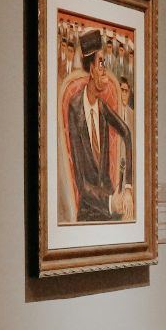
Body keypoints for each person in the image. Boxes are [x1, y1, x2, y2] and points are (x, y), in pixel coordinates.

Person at [59, 30, 134, 222]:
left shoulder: (101, 106)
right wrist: (110, 201)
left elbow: (126, 133)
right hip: (90, 210)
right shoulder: (75, 110)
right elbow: (82, 184)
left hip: (111, 205)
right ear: (91, 69)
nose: (105, 70)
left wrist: (127, 188)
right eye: (101, 63)